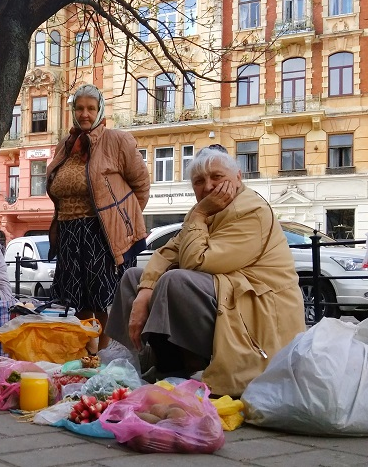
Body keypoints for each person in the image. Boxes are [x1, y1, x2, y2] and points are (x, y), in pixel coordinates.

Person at [106, 145, 305, 396]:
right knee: (133, 277)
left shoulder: (251, 210)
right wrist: (145, 290)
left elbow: (197, 262)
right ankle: (135, 362)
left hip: (257, 306)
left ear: (238, 177)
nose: (208, 186)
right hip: (229, 294)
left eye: (217, 177)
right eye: (199, 181)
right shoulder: (207, 210)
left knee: (175, 281)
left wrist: (199, 215)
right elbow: (168, 252)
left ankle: (180, 368)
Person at [46, 84, 150, 352]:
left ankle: (102, 353)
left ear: (100, 110)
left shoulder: (117, 141)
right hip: (69, 231)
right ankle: (88, 350)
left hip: (101, 232)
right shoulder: (65, 145)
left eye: (91, 108)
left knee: (101, 297)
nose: (85, 114)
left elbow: (141, 185)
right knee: (78, 298)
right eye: (80, 108)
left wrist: (124, 223)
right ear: (73, 110)